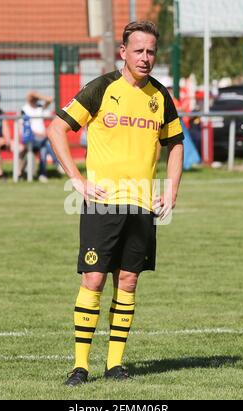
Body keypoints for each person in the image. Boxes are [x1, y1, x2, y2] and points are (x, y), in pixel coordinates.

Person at [47, 21, 184, 387]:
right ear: (123, 52)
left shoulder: (160, 96)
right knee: (93, 279)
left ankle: (115, 365)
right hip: (104, 204)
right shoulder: (102, 88)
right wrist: (76, 179)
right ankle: (80, 366)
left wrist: (171, 189)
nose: (145, 57)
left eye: (151, 51)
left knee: (127, 280)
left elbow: (176, 142)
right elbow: (56, 128)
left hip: (142, 205)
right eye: (138, 50)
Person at [21, 91, 63, 183]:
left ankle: (43, 174)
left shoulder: (39, 108)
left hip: (42, 139)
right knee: (47, 142)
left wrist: (39, 97)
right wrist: (41, 135)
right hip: (31, 138)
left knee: (44, 149)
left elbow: (50, 100)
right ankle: (56, 164)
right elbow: (26, 129)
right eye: (34, 99)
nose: (35, 101)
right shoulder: (24, 109)